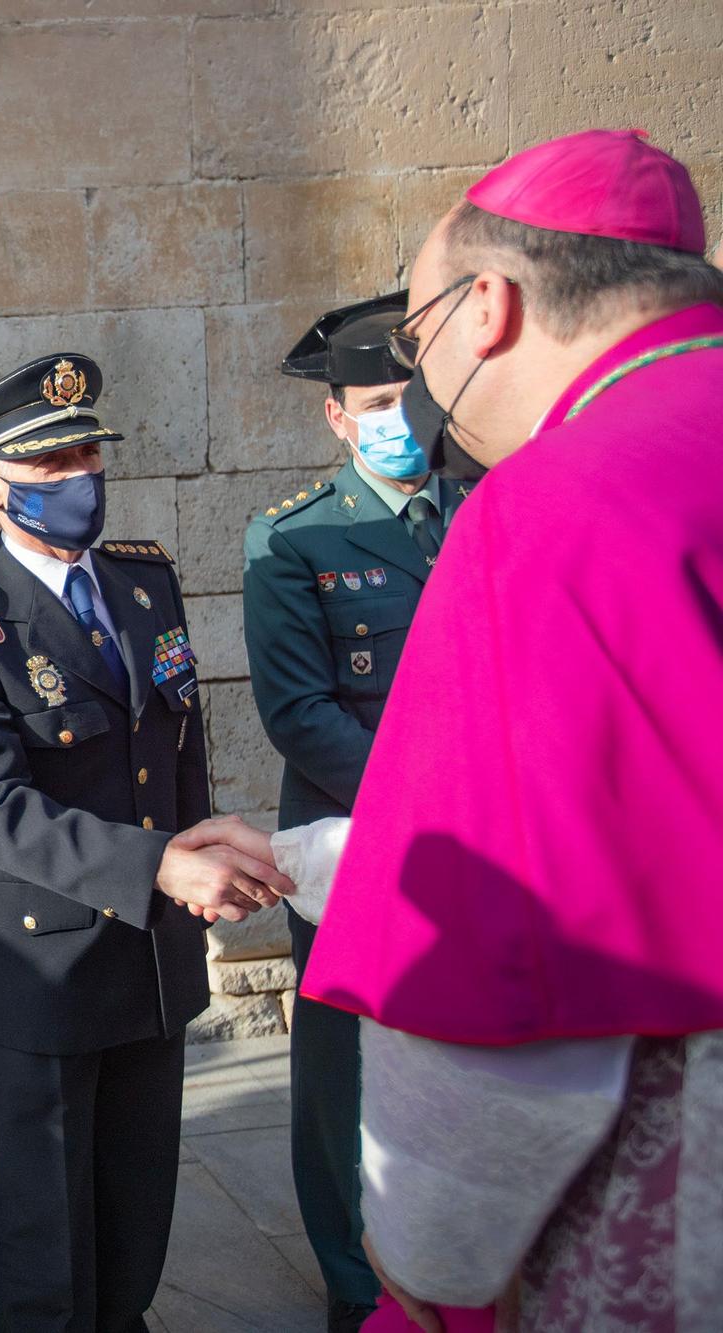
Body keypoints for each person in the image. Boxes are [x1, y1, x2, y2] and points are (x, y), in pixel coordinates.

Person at [299, 129, 723, 1330]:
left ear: (482, 306)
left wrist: (424, 1249)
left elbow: (507, 957)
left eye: (414, 342)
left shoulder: (551, 503)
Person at [0, 354, 291, 1332]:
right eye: (50, 462)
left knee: (134, 1212)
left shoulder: (142, 584)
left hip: (149, 956)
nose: (79, 477)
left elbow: (176, 743)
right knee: (45, 1236)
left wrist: (204, 862)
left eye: (86, 453)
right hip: (38, 969)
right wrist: (159, 863)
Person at [243, 296, 474, 1333]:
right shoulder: (294, 538)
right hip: (361, 842)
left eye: (407, 397)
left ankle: (460, 1258)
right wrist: (433, 799)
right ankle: (351, 1276)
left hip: (494, 840)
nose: (395, 418)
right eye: (373, 402)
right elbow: (299, 712)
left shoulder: (487, 503)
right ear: (334, 417)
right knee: (344, 1072)